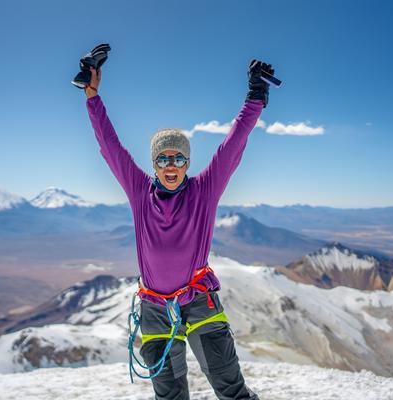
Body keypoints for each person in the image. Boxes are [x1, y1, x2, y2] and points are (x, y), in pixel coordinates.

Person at [84, 58, 273, 400]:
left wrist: (255, 98)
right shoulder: (140, 190)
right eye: (163, 158)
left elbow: (232, 146)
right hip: (155, 308)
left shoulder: (204, 190)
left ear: (188, 162)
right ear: (154, 164)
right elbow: (110, 148)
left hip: (198, 300)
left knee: (231, 388)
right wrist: (92, 97)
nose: (171, 165)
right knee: (169, 396)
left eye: (178, 158)